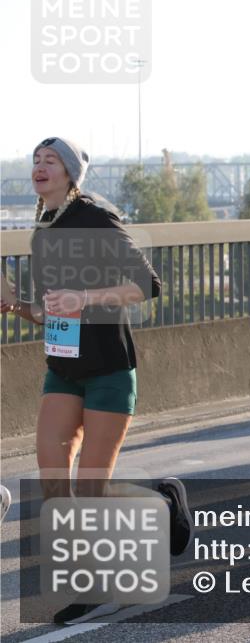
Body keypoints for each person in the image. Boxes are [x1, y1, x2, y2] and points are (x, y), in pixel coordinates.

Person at [0, 137, 193, 624]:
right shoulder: (43, 229)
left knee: (89, 489)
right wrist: (16, 306)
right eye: (36, 161)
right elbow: (51, 311)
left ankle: (160, 504)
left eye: (51, 161)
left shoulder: (95, 218)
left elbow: (148, 284)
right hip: (63, 368)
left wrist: (87, 297)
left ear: (69, 173)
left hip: (109, 369)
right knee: (53, 483)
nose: (40, 167)